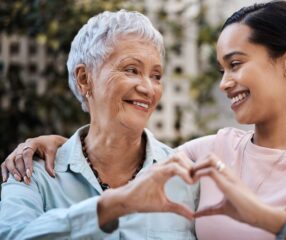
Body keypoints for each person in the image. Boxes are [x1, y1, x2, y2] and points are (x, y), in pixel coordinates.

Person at [2, 1, 286, 239]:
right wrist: (52, 143)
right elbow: (113, 147)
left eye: (235, 64)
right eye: (222, 68)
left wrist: (270, 220)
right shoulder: (206, 155)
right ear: (85, 79)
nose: (224, 82)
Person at [0, 10, 198, 239]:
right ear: (84, 78)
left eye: (156, 75)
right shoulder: (30, 173)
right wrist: (112, 207)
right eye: (131, 70)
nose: (148, 88)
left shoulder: (186, 178)